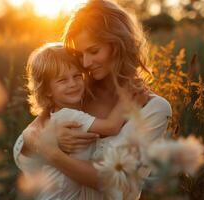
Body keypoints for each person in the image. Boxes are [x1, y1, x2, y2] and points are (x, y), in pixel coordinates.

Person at [15, 0, 172, 199]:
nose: (86, 63)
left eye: (94, 51)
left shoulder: (154, 109)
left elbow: (114, 182)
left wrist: (53, 154)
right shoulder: (78, 92)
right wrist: (46, 140)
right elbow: (24, 146)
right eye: (80, 55)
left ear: (118, 44)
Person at [13, 42, 126, 199]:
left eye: (77, 76)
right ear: (47, 90)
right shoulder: (68, 116)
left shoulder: (54, 115)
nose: (72, 84)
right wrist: (128, 97)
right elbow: (111, 127)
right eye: (62, 80)